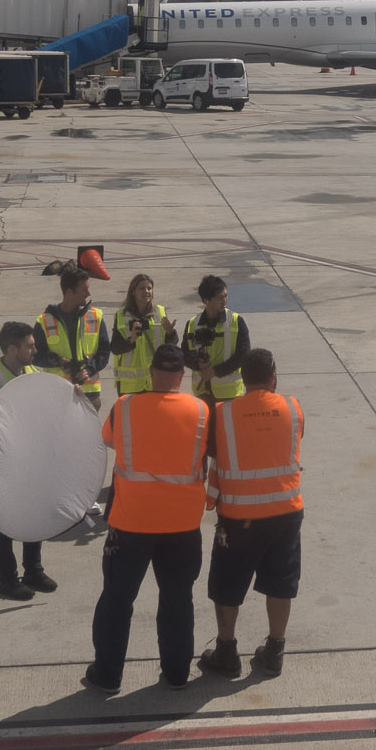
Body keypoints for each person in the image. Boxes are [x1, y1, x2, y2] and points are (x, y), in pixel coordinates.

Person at [84, 344, 207, 692]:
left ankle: (108, 677)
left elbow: (108, 441)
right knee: (178, 599)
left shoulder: (124, 407)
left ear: (151, 372)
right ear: (182, 377)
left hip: (131, 524)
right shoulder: (200, 410)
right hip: (182, 526)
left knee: (117, 601)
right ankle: (177, 674)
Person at [196, 349, 303, 680]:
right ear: (273, 376)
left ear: (242, 378)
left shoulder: (223, 413)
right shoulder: (293, 408)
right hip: (285, 513)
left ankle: (227, 651)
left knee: (228, 583)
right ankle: (275, 650)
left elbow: (212, 453)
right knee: (281, 582)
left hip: (239, 516)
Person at [0, 320, 60, 600]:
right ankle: (7, 580)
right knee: (4, 522)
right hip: (4, 464)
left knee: (33, 515)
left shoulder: (33, 373)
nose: (35, 350)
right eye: (30, 346)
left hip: (30, 460)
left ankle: (32, 571)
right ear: (12, 349)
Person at [37, 263, 109, 403]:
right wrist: (58, 361)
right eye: (84, 290)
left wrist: (89, 370)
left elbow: (104, 351)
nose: (88, 294)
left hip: (89, 394)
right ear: (69, 292)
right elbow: (36, 355)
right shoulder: (45, 321)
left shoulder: (95, 316)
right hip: (59, 395)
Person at [187, 275, 249, 408]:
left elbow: (243, 355)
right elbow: (184, 354)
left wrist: (215, 371)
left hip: (229, 394)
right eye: (220, 298)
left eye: (226, 296)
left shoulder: (236, 322)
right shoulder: (192, 324)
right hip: (202, 392)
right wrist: (198, 365)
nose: (225, 301)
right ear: (206, 300)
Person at [110, 273, 175, 398]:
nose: (146, 291)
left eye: (149, 288)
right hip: (130, 385)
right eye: (142, 288)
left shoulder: (160, 312)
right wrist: (131, 340)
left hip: (155, 382)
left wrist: (170, 333)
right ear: (133, 292)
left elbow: (170, 346)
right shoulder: (121, 316)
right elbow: (115, 348)